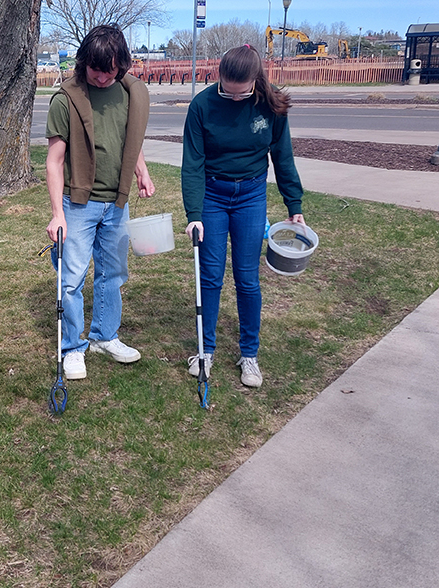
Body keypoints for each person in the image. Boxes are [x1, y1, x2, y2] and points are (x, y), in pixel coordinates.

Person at [182, 44, 306, 388]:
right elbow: (192, 163)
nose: (235, 98)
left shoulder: (271, 105)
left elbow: (283, 157)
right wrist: (194, 213)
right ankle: (205, 350)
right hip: (213, 195)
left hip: (250, 195)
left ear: (255, 80)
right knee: (210, 276)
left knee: (247, 278)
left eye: (242, 93)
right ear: (219, 77)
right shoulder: (202, 106)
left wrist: (294, 206)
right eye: (228, 91)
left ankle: (249, 354)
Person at [45, 24, 155, 380]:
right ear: (84, 62)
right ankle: (72, 347)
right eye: (96, 69)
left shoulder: (130, 93)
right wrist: (57, 214)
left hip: (117, 202)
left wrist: (142, 172)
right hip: (79, 203)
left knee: (113, 274)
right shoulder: (66, 99)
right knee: (72, 278)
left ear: (120, 64)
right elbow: (54, 161)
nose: (104, 77)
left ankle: (104, 336)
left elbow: (130, 139)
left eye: (111, 70)